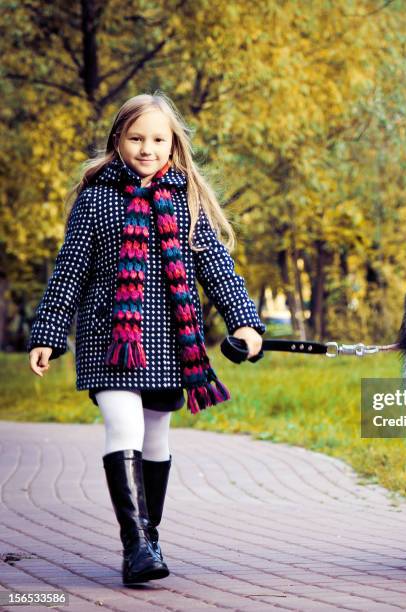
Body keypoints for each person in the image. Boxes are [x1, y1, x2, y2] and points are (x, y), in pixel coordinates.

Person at [26, 92, 265, 585]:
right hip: (110, 339)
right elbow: (69, 271)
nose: (147, 148)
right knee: (124, 426)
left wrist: (245, 324)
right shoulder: (95, 200)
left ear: (173, 143)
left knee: (156, 436)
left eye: (158, 138)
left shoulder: (187, 201)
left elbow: (219, 269)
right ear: (118, 140)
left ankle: (149, 536)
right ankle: (135, 546)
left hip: (170, 340)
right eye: (136, 138)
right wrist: (48, 333)